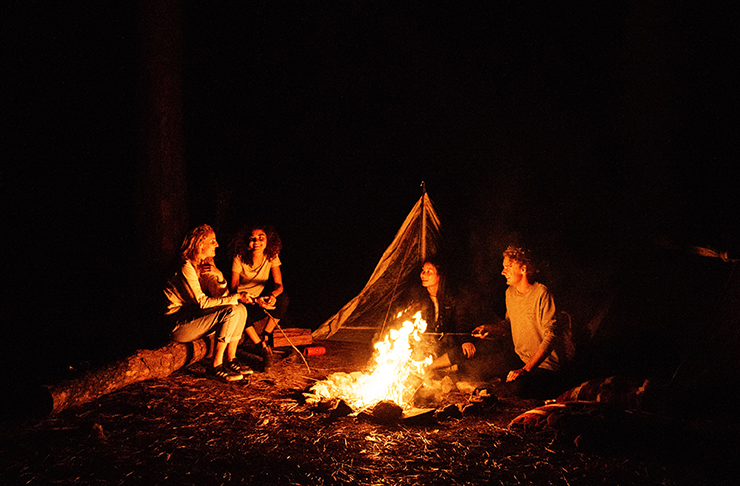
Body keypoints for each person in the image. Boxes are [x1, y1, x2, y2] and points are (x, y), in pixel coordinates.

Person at [473, 245, 574, 399]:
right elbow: (509, 324)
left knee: (518, 388)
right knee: (480, 369)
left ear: (524, 269)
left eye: (508, 267)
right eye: (503, 267)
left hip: (546, 367)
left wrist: (525, 370)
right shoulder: (510, 293)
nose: (503, 271)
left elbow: (551, 336)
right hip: (521, 360)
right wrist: (491, 330)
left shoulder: (542, 294)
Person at [163, 224, 254, 382]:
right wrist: (236, 296)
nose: (217, 245)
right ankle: (215, 366)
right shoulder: (185, 266)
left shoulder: (203, 263)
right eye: (212, 241)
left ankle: (230, 359)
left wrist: (218, 276)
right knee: (232, 310)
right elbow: (202, 303)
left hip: (193, 317)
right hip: (177, 324)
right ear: (200, 244)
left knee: (240, 309)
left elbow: (223, 297)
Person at [229, 223, 288, 371]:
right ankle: (260, 346)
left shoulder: (271, 257)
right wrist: (253, 299)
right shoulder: (239, 258)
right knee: (239, 309)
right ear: (246, 242)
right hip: (243, 300)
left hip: (259, 301)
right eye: (252, 239)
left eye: (261, 238)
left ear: (268, 240)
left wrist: (272, 296)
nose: (257, 242)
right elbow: (233, 289)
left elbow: (279, 285)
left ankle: (266, 334)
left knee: (283, 299)